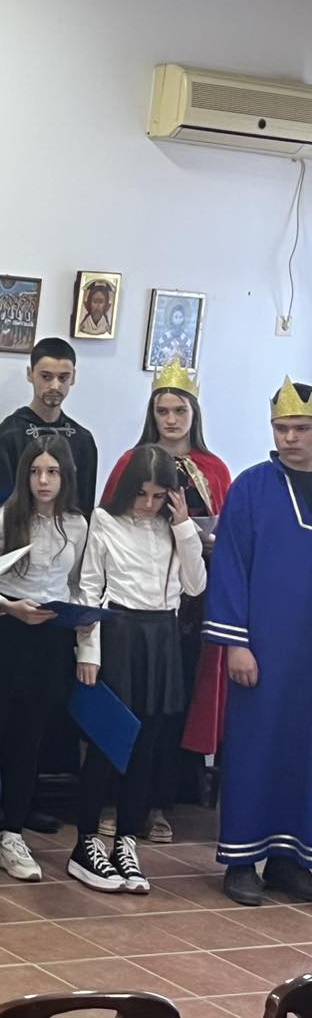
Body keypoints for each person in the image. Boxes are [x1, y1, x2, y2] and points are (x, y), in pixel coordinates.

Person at [101, 362, 232, 844]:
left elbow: (229, 532)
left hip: (189, 603)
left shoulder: (214, 469)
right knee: (126, 706)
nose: (171, 419)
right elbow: (109, 522)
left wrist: (204, 539)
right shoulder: (131, 462)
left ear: (194, 414)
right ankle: (114, 799)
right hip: (131, 602)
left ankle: (158, 803)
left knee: (171, 708)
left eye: (180, 411)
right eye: (163, 411)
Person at [69, 445, 205, 893]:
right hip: (118, 631)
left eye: (158, 496)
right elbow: (89, 587)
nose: (148, 504)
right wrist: (88, 651)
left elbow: (195, 585)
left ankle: (126, 840)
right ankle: (86, 842)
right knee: (108, 741)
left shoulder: (173, 528)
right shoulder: (104, 521)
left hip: (162, 633)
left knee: (147, 746)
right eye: (141, 493)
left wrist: (183, 525)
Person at [205, 379, 312, 907]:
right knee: (256, 748)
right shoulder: (252, 487)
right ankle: (242, 860)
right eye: (281, 428)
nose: (289, 438)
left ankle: (291, 861)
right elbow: (229, 566)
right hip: (264, 647)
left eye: (301, 428)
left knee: (305, 751)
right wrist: (236, 643)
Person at [0, 436, 87, 884]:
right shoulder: (7, 518)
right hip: (6, 633)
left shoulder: (76, 524)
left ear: (65, 477)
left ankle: (11, 833)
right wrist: (7, 607)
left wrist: (73, 615)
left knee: (30, 740)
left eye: (52, 472)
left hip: (49, 639)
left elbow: (76, 583)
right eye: (36, 472)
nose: (43, 481)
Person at [0, 337, 97, 515]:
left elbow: (84, 508)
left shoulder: (83, 440)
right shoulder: (7, 437)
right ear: (30, 374)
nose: (55, 386)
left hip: (69, 530)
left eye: (63, 377)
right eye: (46, 376)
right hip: (17, 529)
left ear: (73, 377)